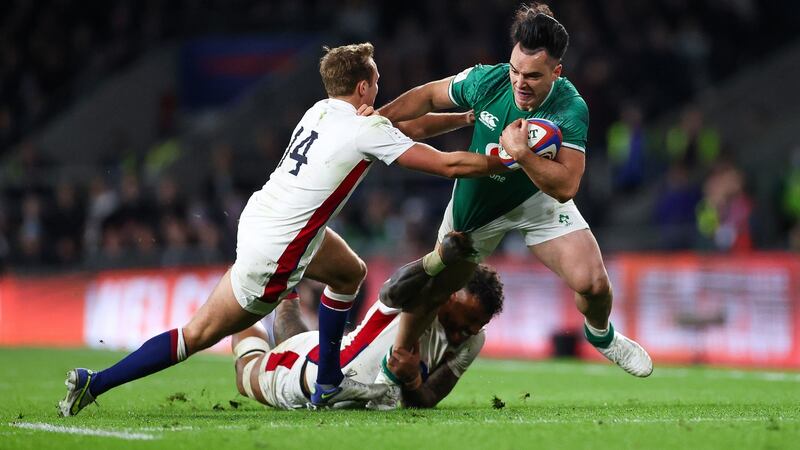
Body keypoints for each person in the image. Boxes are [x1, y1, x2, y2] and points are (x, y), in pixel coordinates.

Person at [59, 42, 510, 416]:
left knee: (350, 273)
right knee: (196, 336)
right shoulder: (364, 129)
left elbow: (400, 124)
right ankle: (95, 382)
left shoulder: (320, 111)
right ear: (362, 85)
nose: (380, 89)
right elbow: (449, 164)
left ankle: (328, 379)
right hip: (281, 247)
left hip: (264, 219)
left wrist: (468, 119)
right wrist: (506, 161)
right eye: (375, 81)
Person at [372, 3, 653, 404]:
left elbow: (567, 185)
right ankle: (395, 364)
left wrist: (523, 154)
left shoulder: (571, 108)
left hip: (535, 198)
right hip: (478, 204)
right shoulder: (487, 80)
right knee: (436, 289)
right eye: (516, 70)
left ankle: (600, 332)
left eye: (534, 76)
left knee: (594, 284)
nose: (520, 83)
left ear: (557, 72)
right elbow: (426, 96)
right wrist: (375, 119)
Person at [230, 235, 503, 410]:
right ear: (449, 296)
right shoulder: (414, 298)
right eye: (465, 322)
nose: (468, 332)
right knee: (246, 373)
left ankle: (285, 292)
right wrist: (436, 259)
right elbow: (390, 291)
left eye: (477, 325)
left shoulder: (474, 340)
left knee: (291, 335)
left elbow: (428, 399)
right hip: (309, 376)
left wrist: (413, 382)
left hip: (328, 349)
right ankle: (240, 280)